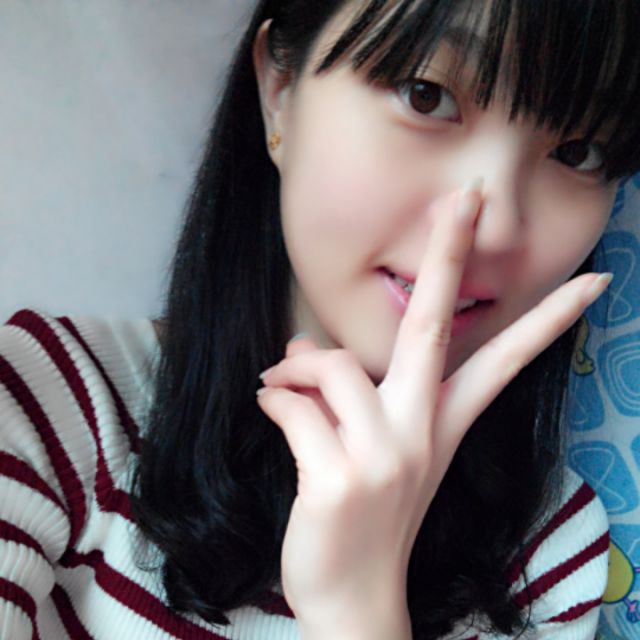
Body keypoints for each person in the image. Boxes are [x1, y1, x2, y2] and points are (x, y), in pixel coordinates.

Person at [2, 0, 640, 638]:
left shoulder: (553, 557)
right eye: (425, 96)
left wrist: (358, 611)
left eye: (579, 151)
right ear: (280, 89)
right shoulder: (41, 412)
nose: (494, 228)